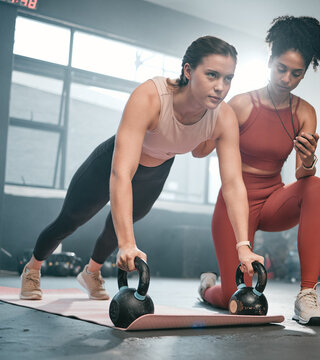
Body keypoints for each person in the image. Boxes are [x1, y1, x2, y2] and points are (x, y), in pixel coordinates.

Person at [19, 36, 257, 301]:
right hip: (112, 163)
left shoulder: (223, 117)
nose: (220, 87)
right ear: (188, 71)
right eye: (212, 75)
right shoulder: (151, 97)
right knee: (70, 220)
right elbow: (121, 172)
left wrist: (243, 246)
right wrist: (127, 245)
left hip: (155, 172)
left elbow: (233, 184)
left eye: (228, 79)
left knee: (119, 226)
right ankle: (33, 268)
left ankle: (91, 272)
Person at [196, 16, 320, 325]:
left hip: (272, 201)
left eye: (296, 73)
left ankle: (307, 295)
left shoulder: (304, 112)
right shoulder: (242, 104)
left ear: (305, 72)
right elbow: (200, 150)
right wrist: (206, 115)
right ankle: (208, 288)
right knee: (237, 300)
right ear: (269, 61)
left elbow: (302, 176)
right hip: (235, 206)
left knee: (317, 186)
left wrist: (309, 160)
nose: (286, 79)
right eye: (281, 69)